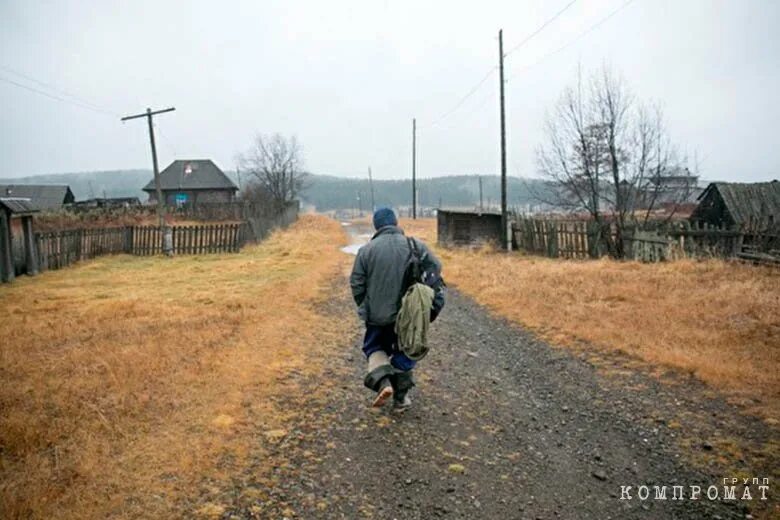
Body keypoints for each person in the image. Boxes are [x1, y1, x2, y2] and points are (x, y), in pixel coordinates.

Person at [349, 207, 445, 410]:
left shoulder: (365, 251)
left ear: (377, 226)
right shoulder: (416, 246)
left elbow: (357, 284)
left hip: (377, 316)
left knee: (374, 348)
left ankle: (384, 382)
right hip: (409, 316)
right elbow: (435, 269)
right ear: (396, 223)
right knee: (408, 350)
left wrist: (366, 306)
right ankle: (400, 398)